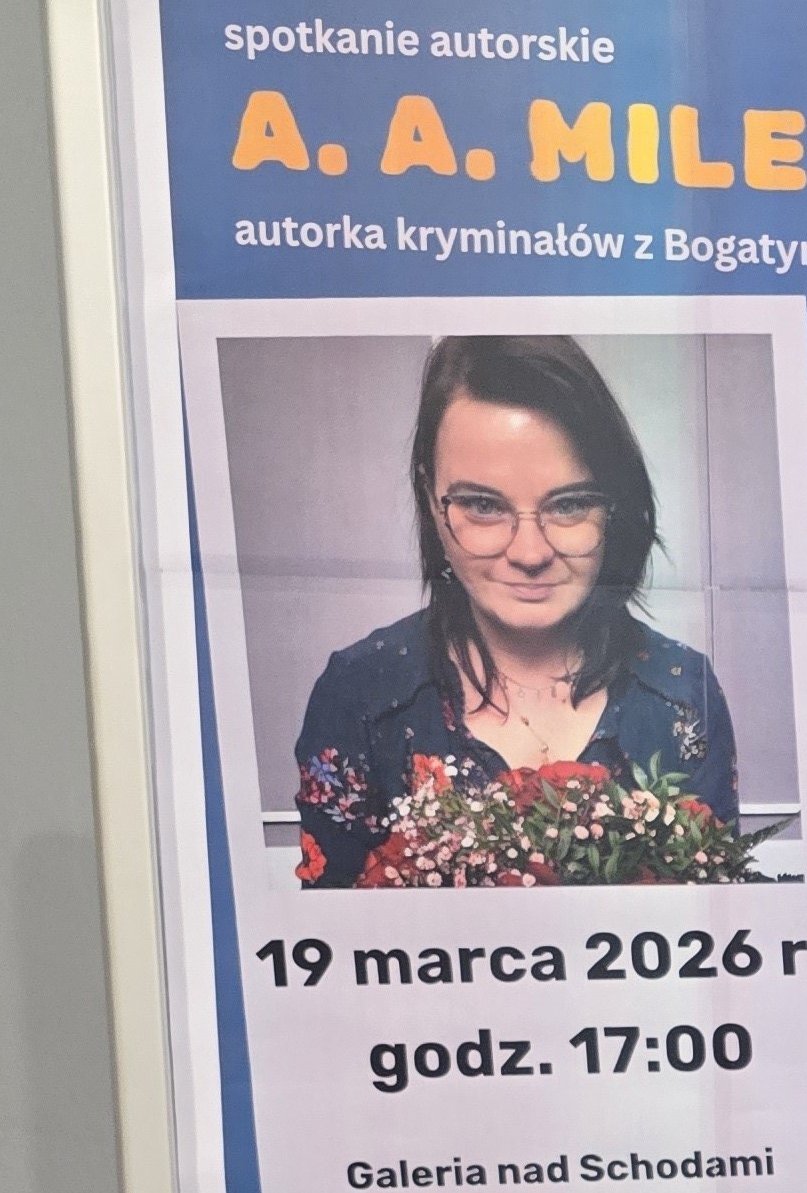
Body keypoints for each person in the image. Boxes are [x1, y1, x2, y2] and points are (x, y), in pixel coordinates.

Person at [293, 331, 737, 885]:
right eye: (483, 505)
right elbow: (328, 933)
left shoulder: (684, 695)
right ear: (431, 502)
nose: (530, 553)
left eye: (569, 504)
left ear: (615, 508)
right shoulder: (359, 695)